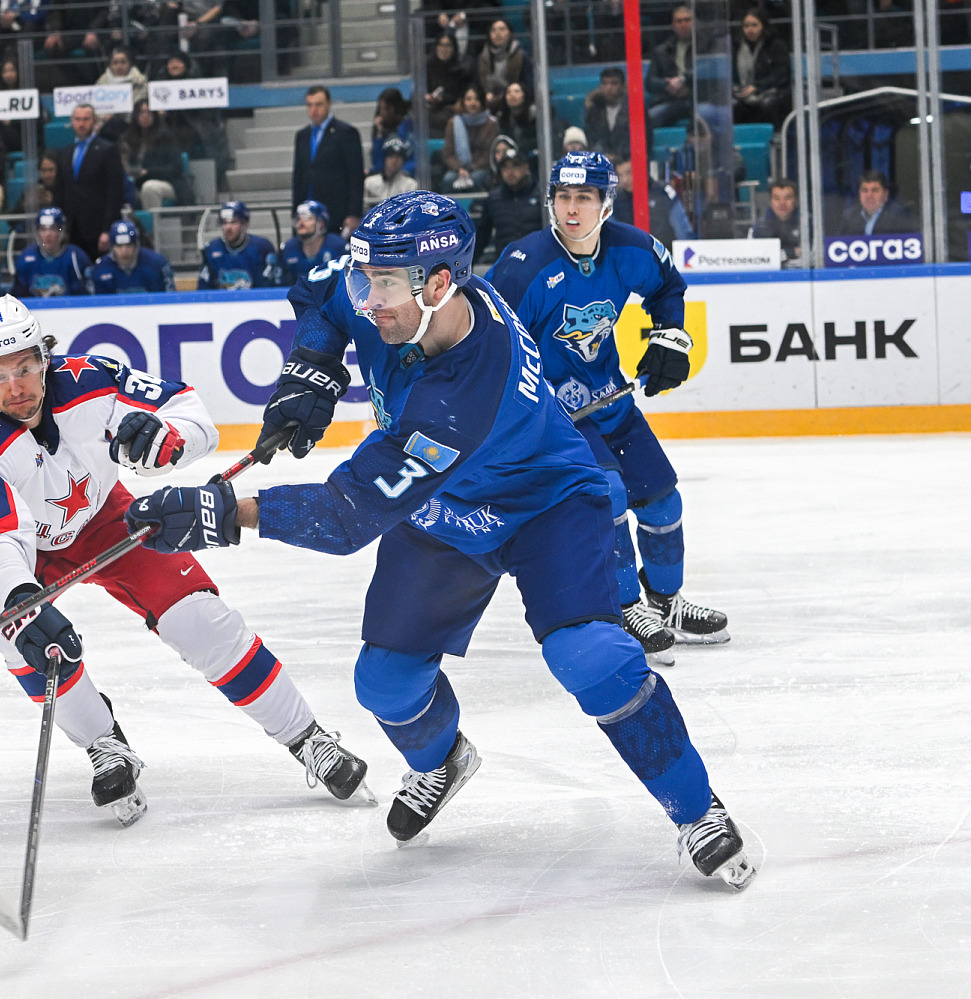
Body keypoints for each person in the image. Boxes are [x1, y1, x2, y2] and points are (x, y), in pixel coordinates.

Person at [123, 191, 757, 892]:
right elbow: (321, 298)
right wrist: (311, 366)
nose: (369, 301)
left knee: (591, 655)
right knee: (384, 684)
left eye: (385, 285)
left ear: (439, 284)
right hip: (443, 512)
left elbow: (345, 517)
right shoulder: (397, 296)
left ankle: (697, 809)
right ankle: (442, 760)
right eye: (366, 279)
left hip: (545, 506)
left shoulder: (463, 393)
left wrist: (218, 513)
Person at [0, 294, 371, 824]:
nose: (16, 387)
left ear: (44, 355)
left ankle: (307, 737)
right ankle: (102, 742)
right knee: (17, 632)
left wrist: (167, 439)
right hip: (24, 551)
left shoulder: (90, 379)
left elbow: (189, 413)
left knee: (200, 621)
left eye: (26, 367)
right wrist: (20, 600)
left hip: (107, 517)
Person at [485, 151, 729, 668]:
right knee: (609, 495)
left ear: (606, 203)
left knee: (663, 501)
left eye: (584, 197)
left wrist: (670, 336)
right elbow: (492, 343)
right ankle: (624, 607)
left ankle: (666, 602)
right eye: (563, 197)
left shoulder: (631, 249)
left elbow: (667, 287)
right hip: (555, 418)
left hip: (612, 401)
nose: (572, 209)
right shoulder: (524, 265)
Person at [51, 103, 126, 261]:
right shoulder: (64, 153)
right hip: (71, 228)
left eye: (86, 119)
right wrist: (58, 229)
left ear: (94, 121)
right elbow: (59, 192)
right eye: (78, 119)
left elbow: (114, 192)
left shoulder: (108, 150)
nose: (81, 123)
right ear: (72, 121)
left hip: (97, 227)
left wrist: (107, 229)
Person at [291, 86, 364, 236]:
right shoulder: (302, 136)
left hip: (336, 213)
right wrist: (295, 213)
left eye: (318, 104)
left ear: (329, 104)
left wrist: (354, 213)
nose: (314, 110)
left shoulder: (346, 133)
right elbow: (298, 176)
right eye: (309, 105)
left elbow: (356, 176)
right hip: (307, 212)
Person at [196, 200, 279, 290]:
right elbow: (204, 288)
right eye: (224, 222)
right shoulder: (212, 249)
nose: (228, 227)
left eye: (233, 222)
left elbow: (267, 288)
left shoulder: (261, 248)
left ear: (245, 223)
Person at [612, 158, 694, 247]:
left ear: (642, 169)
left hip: (666, 252)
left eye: (628, 173)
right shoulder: (617, 200)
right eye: (620, 175)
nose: (624, 180)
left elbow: (683, 232)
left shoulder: (663, 193)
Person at [12, 206, 91, 297]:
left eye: (53, 229)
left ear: (61, 232)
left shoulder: (76, 257)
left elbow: (85, 296)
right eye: (43, 229)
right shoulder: (25, 258)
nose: (47, 234)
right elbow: (17, 296)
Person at [120, 99, 185, 210]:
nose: (145, 116)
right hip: (136, 181)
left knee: (149, 188)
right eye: (141, 112)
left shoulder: (165, 136)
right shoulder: (128, 137)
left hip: (166, 182)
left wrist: (148, 172)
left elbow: (175, 168)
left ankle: (151, 221)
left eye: (148, 112)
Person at [479, 149, 543, 259]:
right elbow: (482, 236)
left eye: (515, 166)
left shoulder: (541, 195)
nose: (510, 171)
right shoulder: (494, 199)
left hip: (538, 261)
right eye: (505, 167)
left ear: (526, 167)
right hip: (506, 262)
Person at [732, 7, 790, 127]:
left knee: (765, 105)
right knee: (734, 106)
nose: (750, 30)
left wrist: (756, 87)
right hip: (745, 92)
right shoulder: (737, 47)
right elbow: (733, 74)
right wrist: (736, 87)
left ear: (763, 26)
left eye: (754, 25)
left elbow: (781, 75)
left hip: (771, 91)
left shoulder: (776, 45)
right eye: (746, 26)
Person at [440, 85, 499, 193]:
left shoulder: (491, 124)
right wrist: (459, 169)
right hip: (457, 169)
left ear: (482, 102)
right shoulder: (453, 123)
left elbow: (489, 154)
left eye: (476, 99)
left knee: (476, 179)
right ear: (463, 102)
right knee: (448, 180)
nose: (472, 103)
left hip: (481, 168)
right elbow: (448, 154)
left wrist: (471, 168)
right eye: (468, 99)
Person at [644, 5, 696, 129]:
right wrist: (667, 84)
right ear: (673, 25)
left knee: (708, 114)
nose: (683, 24)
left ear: (695, 22)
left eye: (687, 20)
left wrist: (683, 81)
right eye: (679, 21)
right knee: (647, 120)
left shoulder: (706, 46)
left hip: (699, 99)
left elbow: (709, 70)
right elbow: (650, 82)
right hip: (671, 100)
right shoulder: (661, 51)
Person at [90, 219, 174, 294]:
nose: (124, 251)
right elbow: (97, 302)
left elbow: (167, 299)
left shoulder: (156, 265)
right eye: (119, 246)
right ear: (112, 247)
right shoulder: (101, 269)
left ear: (136, 246)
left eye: (129, 245)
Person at [279, 200, 348, 287]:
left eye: (307, 218)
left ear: (321, 223)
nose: (301, 223)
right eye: (298, 219)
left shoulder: (338, 246)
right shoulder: (289, 248)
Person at [837, 169, 916, 236]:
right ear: (859, 194)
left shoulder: (898, 215)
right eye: (864, 190)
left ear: (885, 194)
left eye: (875, 190)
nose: (869, 195)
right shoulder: (850, 216)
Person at [584, 67, 631, 161]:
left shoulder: (633, 110)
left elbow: (642, 142)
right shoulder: (594, 111)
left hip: (627, 163)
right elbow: (591, 139)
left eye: (614, 83)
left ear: (623, 86)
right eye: (605, 84)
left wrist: (619, 158)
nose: (609, 88)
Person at [425, 32, 468, 132]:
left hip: (451, 108)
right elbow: (419, 89)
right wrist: (428, 97)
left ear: (454, 48)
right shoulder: (428, 66)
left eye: (448, 45)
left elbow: (462, 94)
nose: (444, 49)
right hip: (430, 107)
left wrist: (443, 99)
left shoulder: (462, 68)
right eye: (441, 45)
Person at [750, 177, 801, 261]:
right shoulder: (759, 227)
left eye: (788, 198)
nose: (782, 203)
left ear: (796, 200)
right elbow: (756, 257)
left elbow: (814, 253)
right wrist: (791, 252)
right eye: (777, 199)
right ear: (770, 201)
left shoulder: (807, 224)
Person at [474, 19, 530, 92]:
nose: (497, 33)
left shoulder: (521, 56)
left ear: (510, 33)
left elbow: (528, 85)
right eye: (493, 30)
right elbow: (477, 85)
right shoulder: (481, 58)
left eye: (502, 29)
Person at [365, 136, 419, 210]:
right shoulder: (369, 183)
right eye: (391, 156)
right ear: (384, 159)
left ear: (403, 160)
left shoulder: (411, 185)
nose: (394, 161)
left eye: (398, 157)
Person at [370, 87, 414, 177]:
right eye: (380, 108)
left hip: (406, 174)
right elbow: (377, 162)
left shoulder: (408, 126)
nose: (382, 113)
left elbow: (413, 158)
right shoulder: (380, 129)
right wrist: (379, 135)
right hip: (386, 175)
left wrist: (400, 172)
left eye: (386, 109)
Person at [497, 81, 538, 159]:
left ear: (524, 94)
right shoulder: (502, 117)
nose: (512, 95)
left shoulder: (535, 115)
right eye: (508, 92)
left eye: (517, 91)